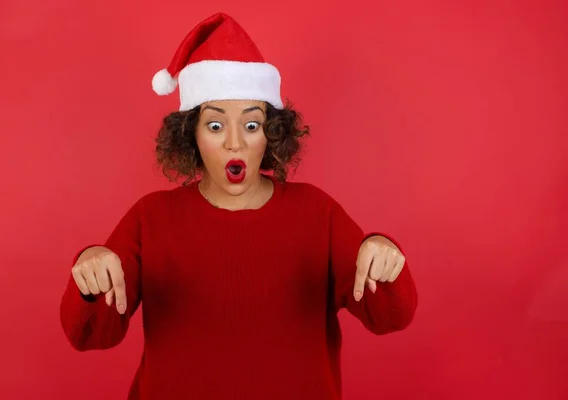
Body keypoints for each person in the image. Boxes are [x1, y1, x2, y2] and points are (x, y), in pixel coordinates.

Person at [59, 12, 418, 400]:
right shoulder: (151, 217)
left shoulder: (317, 212)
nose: (235, 143)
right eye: (215, 126)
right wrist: (91, 273)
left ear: (271, 133)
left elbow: (390, 318)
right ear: (190, 135)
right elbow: (90, 335)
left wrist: (383, 253)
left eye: (251, 125)